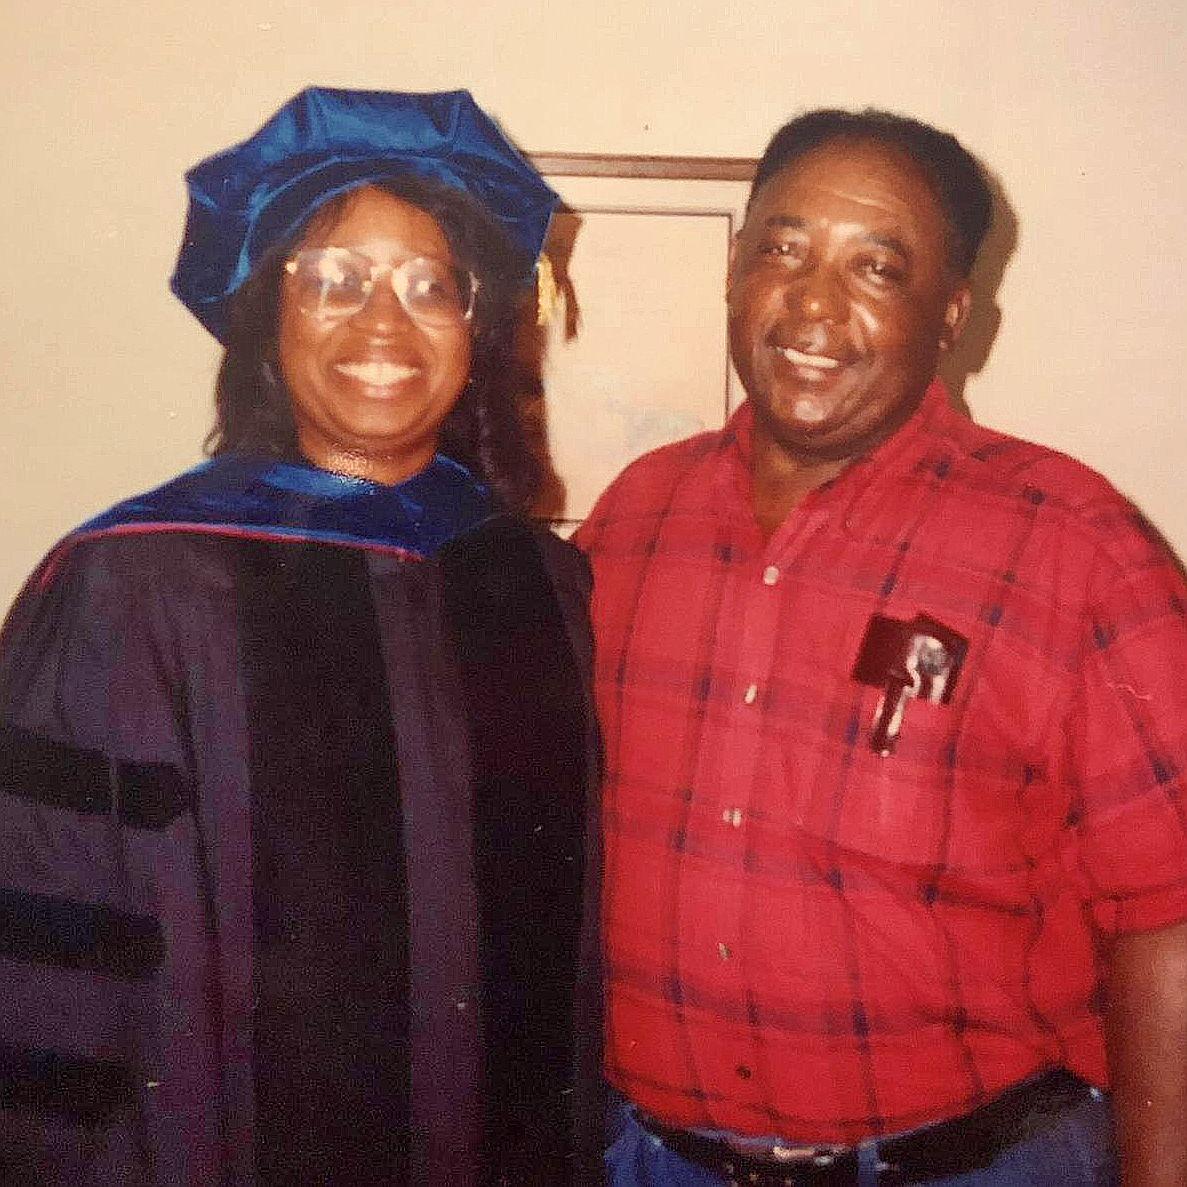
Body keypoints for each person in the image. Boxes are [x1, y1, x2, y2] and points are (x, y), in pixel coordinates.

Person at [0, 87, 601, 1186]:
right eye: (332, 278)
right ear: (264, 318)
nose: (383, 323)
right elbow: (49, 954)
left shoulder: (535, 580)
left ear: (478, 326)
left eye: (432, 286)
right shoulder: (134, 581)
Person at [579, 108, 1187, 1186]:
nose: (813, 303)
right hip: (651, 1160)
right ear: (735, 269)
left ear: (951, 314)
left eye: (877, 267)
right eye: (783, 248)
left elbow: (1168, 920)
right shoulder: (633, 518)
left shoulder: (1074, 546)